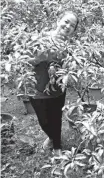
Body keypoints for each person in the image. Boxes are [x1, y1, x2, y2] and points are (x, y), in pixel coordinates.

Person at [27, 11, 79, 156]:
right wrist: (39, 58)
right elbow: (26, 60)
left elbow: (70, 69)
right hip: (37, 88)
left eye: (72, 26)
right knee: (43, 121)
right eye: (66, 21)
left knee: (56, 119)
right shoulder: (41, 38)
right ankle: (51, 137)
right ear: (58, 20)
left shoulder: (70, 47)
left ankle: (57, 147)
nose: (68, 26)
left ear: (74, 31)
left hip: (57, 90)